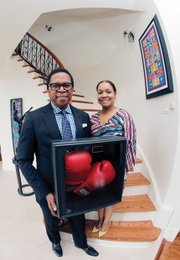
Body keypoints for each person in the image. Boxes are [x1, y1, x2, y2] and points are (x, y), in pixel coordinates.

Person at [16, 68, 99, 257]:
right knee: (50, 218)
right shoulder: (33, 118)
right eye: (56, 85)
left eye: (66, 85)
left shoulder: (83, 117)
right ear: (48, 89)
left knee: (78, 214)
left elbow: (88, 150)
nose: (61, 89)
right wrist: (44, 192)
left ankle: (81, 243)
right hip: (48, 186)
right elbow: (23, 159)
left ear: (72, 89)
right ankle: (55, 242)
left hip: (77, 183)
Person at [90, 80, 136, 237]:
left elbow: (131, 141)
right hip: (97, 165)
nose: (104, 95)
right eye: (100, 92)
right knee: (99, 193)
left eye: (108, 91)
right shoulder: (93, 118)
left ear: (115, 95)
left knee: (111, 194)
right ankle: (99, 218)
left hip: (117, 164)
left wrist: (127, 169)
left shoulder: (124, 116)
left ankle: (106, 221)